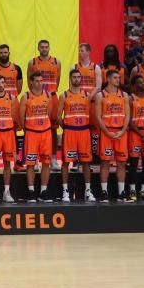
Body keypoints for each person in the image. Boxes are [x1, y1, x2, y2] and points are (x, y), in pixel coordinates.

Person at [58, 69, 94, 202]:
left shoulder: (87, 95)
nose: (77, 79)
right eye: (74, 77)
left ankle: (88, 191)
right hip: (70, 131)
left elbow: (90, 114)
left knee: (86, 162)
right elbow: (58, 117)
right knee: (66, 162)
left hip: (84, 131)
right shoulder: (64, 95)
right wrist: (67, 128)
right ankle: (65, 191)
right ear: (70, 79)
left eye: (79, 77)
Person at [95, 69, 131, 202]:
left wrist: (122, 131)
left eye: (118, 77)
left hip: (121, 132)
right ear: (108, 79)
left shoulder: (125, 95)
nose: (118, 80)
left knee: (121, 163)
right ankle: (104, 192)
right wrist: (107, 132)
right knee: (105, 163)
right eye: (115, 78)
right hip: (107, 132)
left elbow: (127, 115)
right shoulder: (101, 95)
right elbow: (98, 117)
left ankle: (122, 192)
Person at [20, 72, 54, 202]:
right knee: (30, 163)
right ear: (32, 82)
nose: (40, 83)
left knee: (46, 162)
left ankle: (44, 191)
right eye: (37, 81)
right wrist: (28, 129)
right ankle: (31, 191)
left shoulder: (48, 95)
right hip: (31, 133)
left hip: (45, 133)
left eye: (41, 80)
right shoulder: (26, 97)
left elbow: (49, 114)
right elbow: (21, 118)